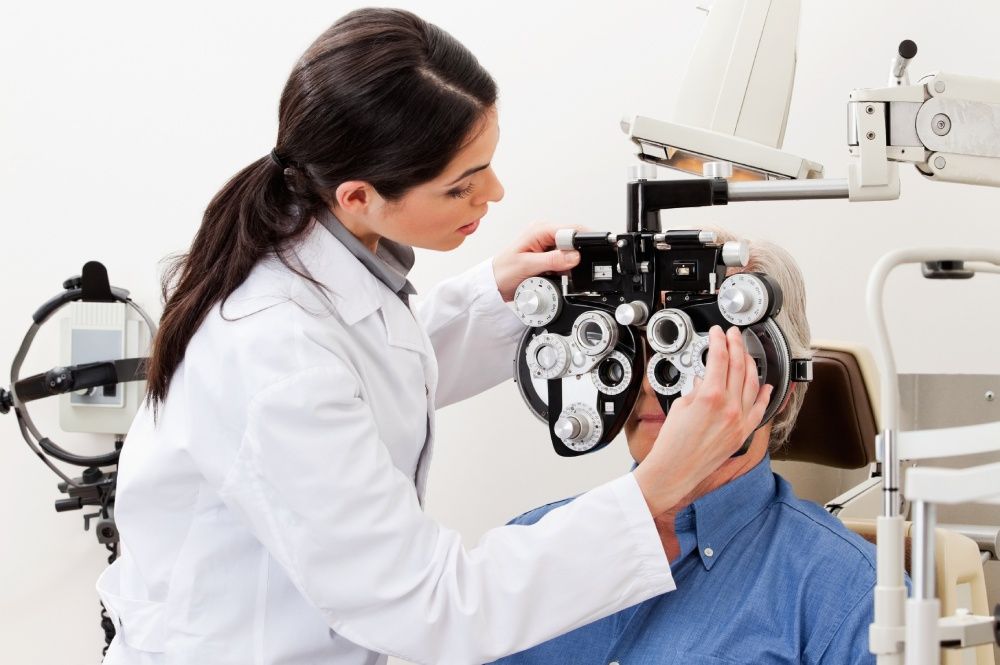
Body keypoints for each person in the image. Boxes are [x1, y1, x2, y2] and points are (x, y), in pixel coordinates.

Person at [96, 9, 771, 665]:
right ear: (359, 196)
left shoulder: (326, 266)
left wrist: (497, 298)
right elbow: (432, 602)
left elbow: (374, 367)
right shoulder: (275, 354)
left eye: (489, 165)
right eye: (462, 187)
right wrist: (652, 489)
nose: (496, 194)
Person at [492, 233, 884, 665]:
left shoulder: (852, 593)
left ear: (780, 384)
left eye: (697, 352)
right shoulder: (531, 545)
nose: (647, 382)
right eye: (637, 347)